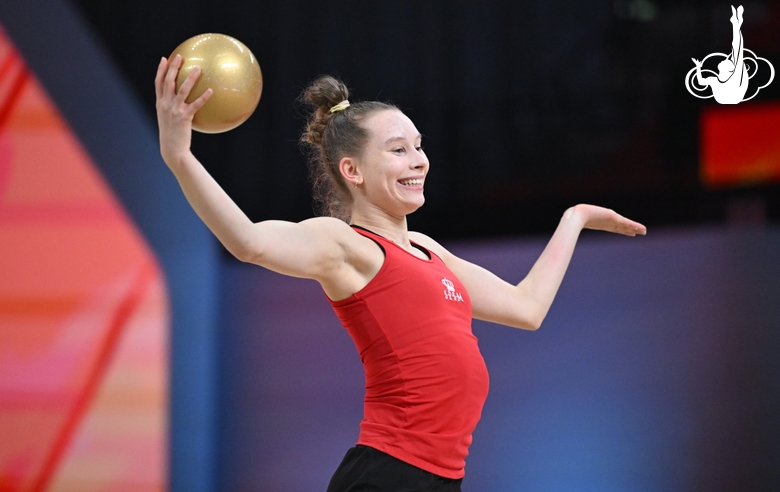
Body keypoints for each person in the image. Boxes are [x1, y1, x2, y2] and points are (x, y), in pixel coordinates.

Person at [155, 57, 646, 491]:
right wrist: (180, 156)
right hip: (388, 475)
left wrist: (574, 218)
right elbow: (248, 242)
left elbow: (527, 309)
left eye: (418, 146)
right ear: (353, 171)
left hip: (441, 478)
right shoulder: (346, 245)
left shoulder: (426, 250)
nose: (418, 160)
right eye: (397, 150)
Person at [692, 5, 747, 104]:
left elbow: (737, 48)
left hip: (733, 98)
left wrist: (736, 26)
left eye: (727, 61)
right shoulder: (714, 80)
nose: (725, 59)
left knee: (737, 51)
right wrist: (698, 67)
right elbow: (700, 82)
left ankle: (736, 23)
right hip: (725, 100)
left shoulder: (734, 78)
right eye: (728, 60)